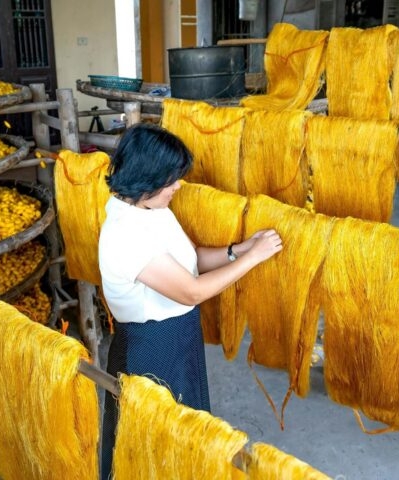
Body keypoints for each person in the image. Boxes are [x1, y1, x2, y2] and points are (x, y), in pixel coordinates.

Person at [98, 123, 282, 478]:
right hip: (149, 351)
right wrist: (253, 258)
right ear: (146, 179)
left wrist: (239, 248)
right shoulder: (124, 234)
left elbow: (192, 258)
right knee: (155, 448)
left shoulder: (151, 210)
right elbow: (192, 290)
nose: (178, 186)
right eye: (171, 180)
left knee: (188, 439)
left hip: (180, 339)